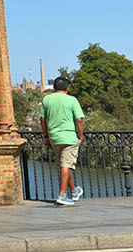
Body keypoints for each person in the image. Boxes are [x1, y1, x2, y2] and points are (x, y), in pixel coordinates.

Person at [40, 76, 86, 205]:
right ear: (67, 88)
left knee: (64, 165)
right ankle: (62, 195)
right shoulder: (72, 100)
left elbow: (42, 119)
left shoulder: (47, 99)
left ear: (54, 88)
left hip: (54, 137)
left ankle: (74, 190)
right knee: (66, 165)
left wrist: (46, 136)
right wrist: (80, 137)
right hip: (69, 137)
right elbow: (79, 120)